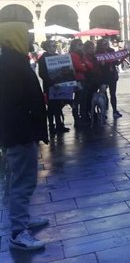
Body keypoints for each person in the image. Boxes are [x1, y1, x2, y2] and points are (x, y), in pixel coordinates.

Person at [0, 22, 50, 250]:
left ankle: (22, 219)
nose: (29, 39)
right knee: (23, 181)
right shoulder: (10, 64)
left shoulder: (13, 61)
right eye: (25, 35)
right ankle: (19, 232)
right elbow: (13, 104)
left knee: (16, 179)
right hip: (19, 132)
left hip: (18, 130)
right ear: (14, 38)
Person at [37, 40, 70, 135]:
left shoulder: (56, 56)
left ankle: (59, 124)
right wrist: (51, 82)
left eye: (54, 46)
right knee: (51, 106)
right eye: (52, 46)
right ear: (47, 47)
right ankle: (51, 126)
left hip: (59, 84)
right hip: (50, 85)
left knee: (59, 105)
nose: (54, 47)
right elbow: (42, 73)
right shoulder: (43, 58)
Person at [95, 39, 121, 119]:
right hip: (103, 75)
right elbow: (96, 64)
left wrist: (119, 59)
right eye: (104, 44)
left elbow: (116, 62)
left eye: (106, 43)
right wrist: (101, 63)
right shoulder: (97, 53)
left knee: (113, 93)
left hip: (112, 74)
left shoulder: (111, 50)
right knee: (103, 94)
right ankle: (103, 110)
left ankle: (115, 110)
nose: (106, 45)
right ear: (100, 45)